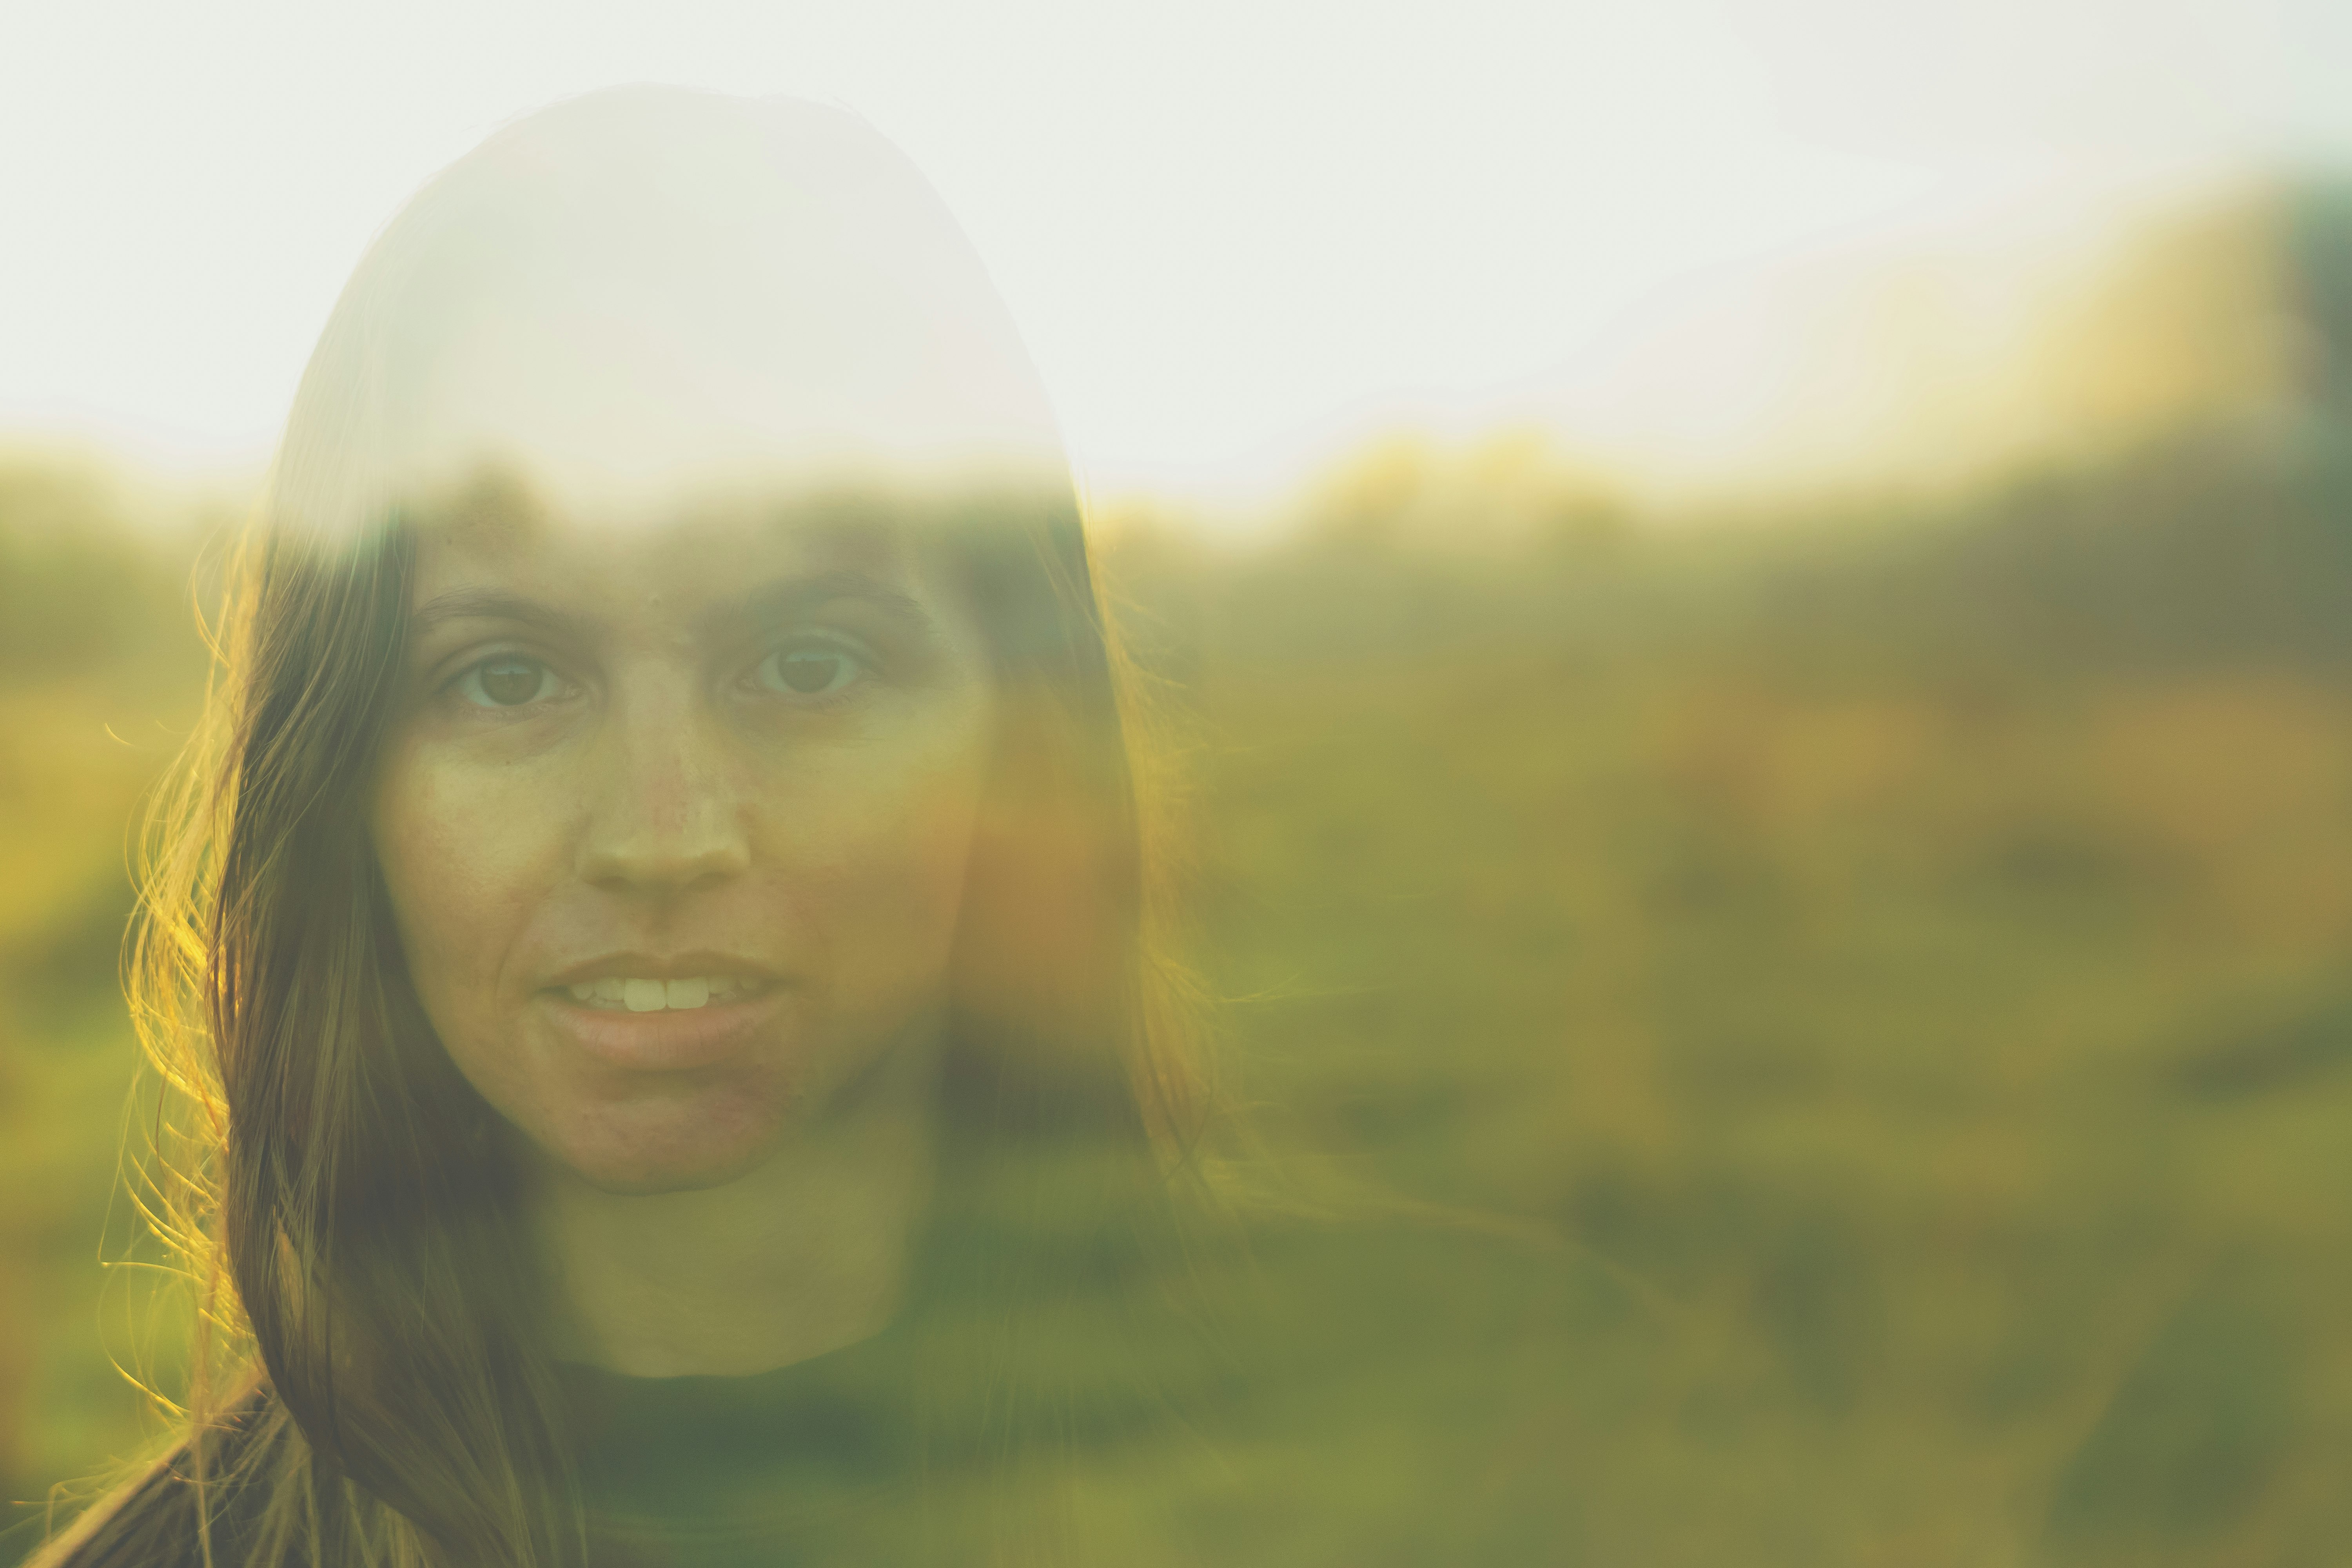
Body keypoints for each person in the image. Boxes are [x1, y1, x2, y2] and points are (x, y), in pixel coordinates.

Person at [34, 85, 1710, 1568]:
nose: (663, 834)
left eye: (809, 657)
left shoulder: (1518, 1446)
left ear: (1018, 723)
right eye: (507, 672)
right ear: (343, 786)